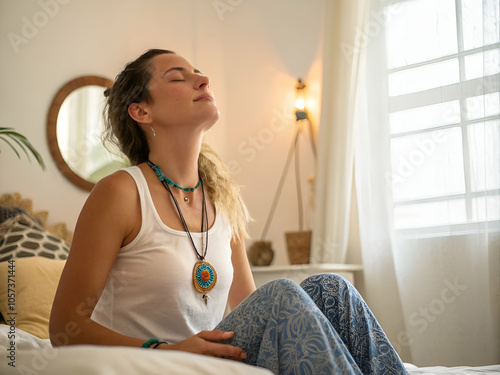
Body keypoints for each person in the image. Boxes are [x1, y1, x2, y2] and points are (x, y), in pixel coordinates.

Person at [49, 49, 408, 374]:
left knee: (333, 287)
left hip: (215, 355)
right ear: (142, 111)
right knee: (281, 291)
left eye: (198, 73)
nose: (202, 80)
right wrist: (165, 350)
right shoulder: (119, 192)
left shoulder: (221, 196)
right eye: (178, 77)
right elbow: (65, 326)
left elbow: (251, 306)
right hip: (157, 362)